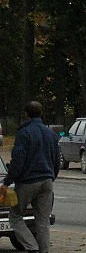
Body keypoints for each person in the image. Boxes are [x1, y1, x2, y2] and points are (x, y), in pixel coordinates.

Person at [0, 101, 60, 253]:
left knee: (15, 217)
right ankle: (44, 250)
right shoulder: (50, 134)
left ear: (26, 115)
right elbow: (56, 159)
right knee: (43, 221)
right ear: (41, 113)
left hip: (27, 182)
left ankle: (32, 247)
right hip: (47, 180)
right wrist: (52, 176)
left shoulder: (24, 133)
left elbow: (18, 160)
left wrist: (7, 182)